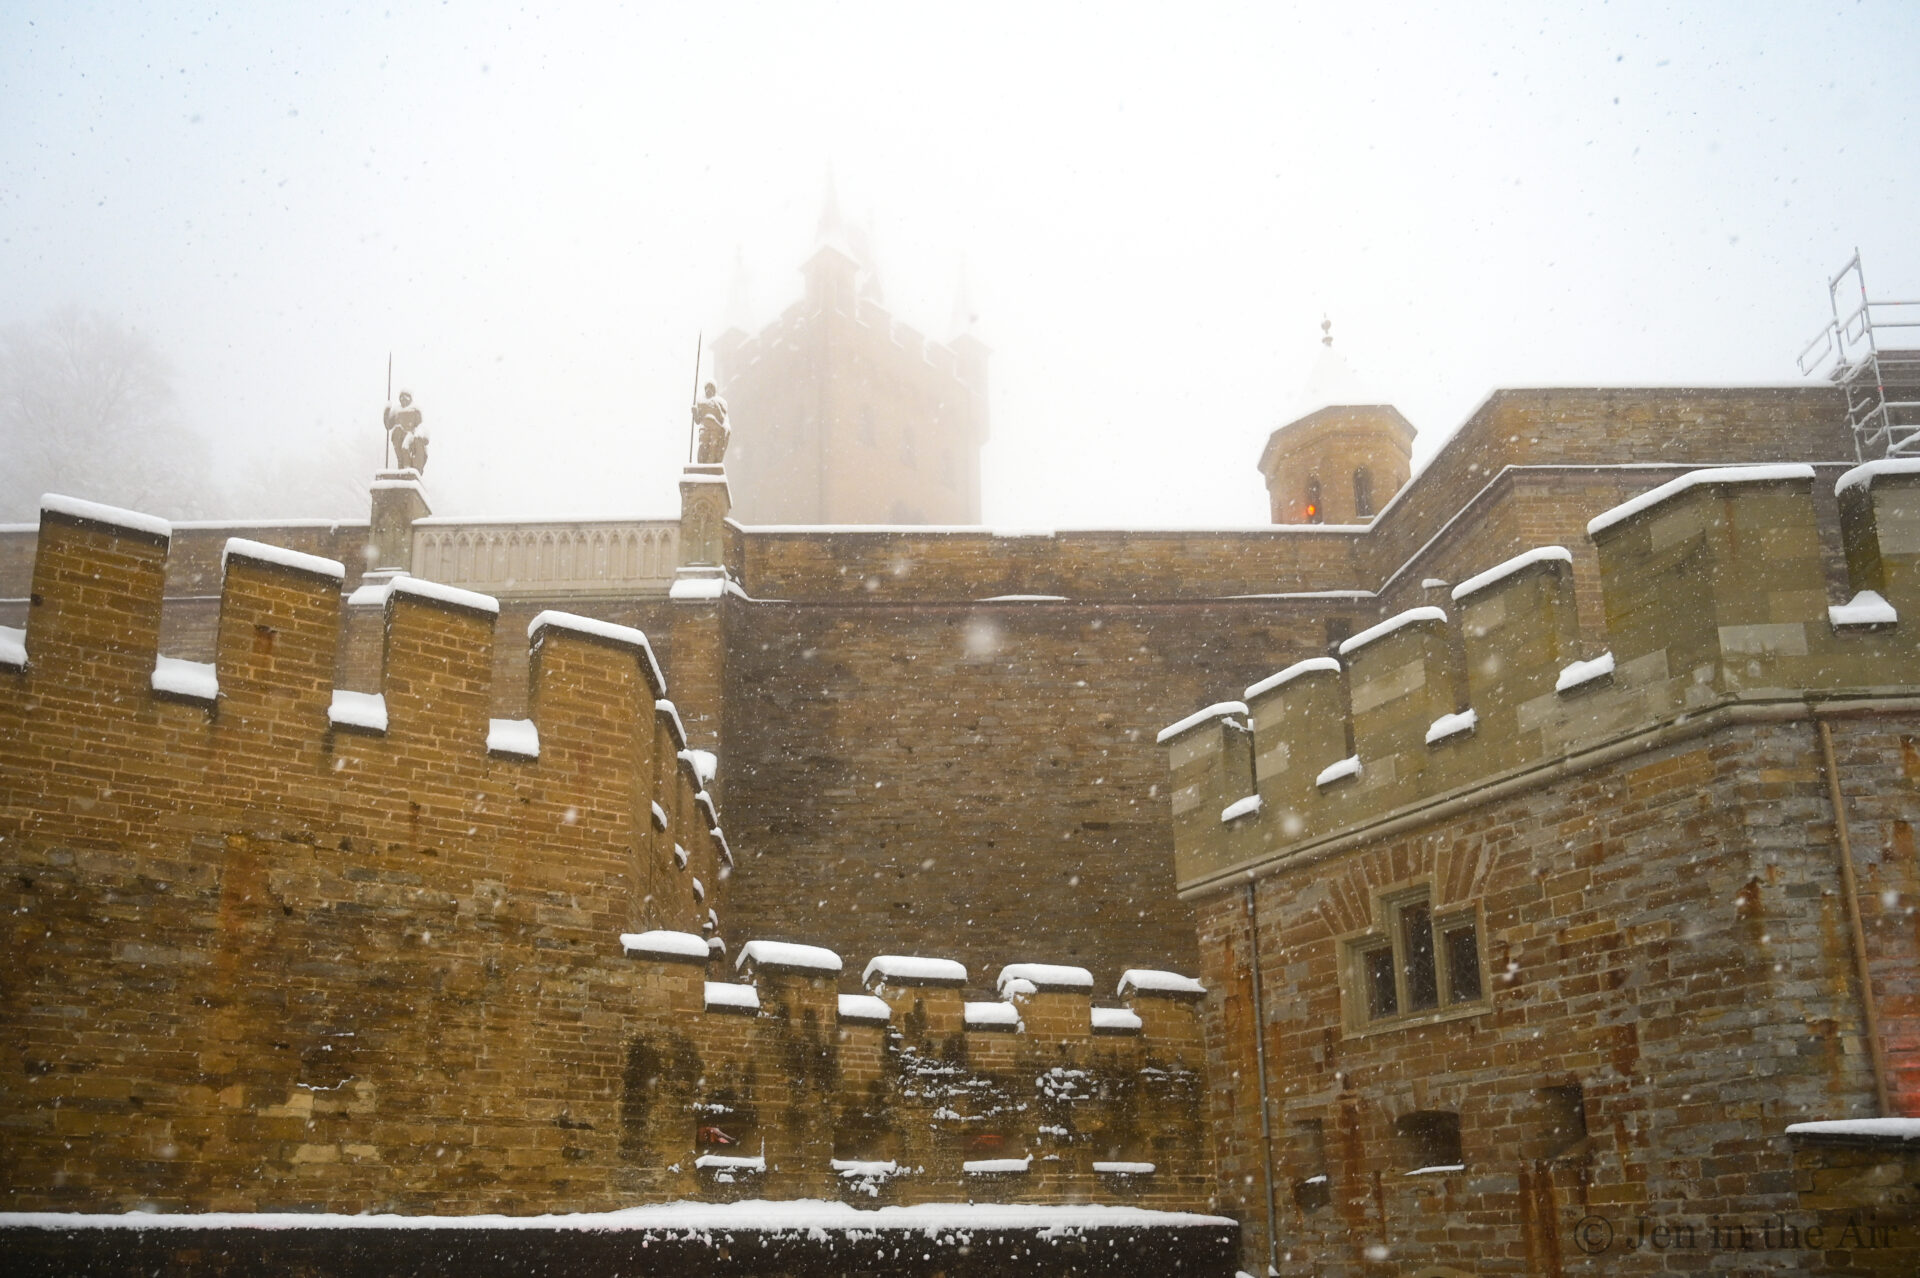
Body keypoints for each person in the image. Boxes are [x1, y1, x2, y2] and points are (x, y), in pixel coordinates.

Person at [384, 390, 430, 474]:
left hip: (411, 435)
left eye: (405, 397)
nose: (403, 399)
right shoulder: (396, 411)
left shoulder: (415, 409)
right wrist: (387, 410)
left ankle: (407, 468)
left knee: (405, 447)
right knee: (398, 435)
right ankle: (403, 468)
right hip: (399, 437)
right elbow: (388, 425)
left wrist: (418, 435)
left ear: (410, 398)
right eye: (401, 397)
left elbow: (420, 426)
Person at [693, 381, 730, 465]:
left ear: (714, 390)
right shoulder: (701, 402)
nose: (708, 390)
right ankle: (701, 466)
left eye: (711, 388)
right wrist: (695, 412)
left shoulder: (720, 402)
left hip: (715, 428)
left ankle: (710, 467)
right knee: (702, 446)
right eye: (707, 387)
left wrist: (717, 408)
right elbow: (698, 421)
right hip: (704, 427)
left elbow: (722, 419)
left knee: (713, 447)